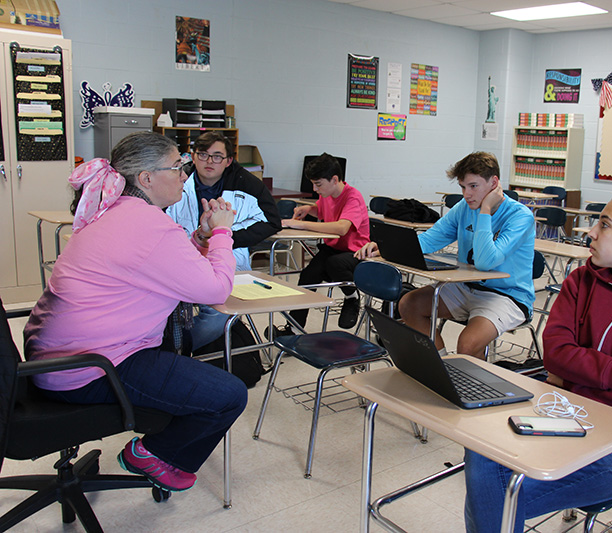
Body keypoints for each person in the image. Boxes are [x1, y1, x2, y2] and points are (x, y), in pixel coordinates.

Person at [463, 191, 612, 532]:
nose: (589, 232)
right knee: (482, 452)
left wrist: (574, 380)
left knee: (501, 497)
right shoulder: (582, 280)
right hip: (559, 418)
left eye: (604, 225)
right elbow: (555, 353)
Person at [23, 131, 247, 495]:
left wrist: (201, 240)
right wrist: (222, 233)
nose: (185, 175)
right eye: (177, 167)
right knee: (229, 395)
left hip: (53, 359)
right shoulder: (149, 224)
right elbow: (216, 289)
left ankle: (159, 444)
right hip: (92, 366)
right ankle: (154, 454)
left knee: (183, 366)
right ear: (145, 178)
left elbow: (157, 265)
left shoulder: (112, 210)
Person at [356, 151, 535, 359]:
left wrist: (485, 210)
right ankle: (443, 368)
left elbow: (486, 262)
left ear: (494, 183)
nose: (466, 194)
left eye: (473, 186)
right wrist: (385, 248)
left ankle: (471, 388)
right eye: (462, 187)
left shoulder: (520, 217)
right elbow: (431, 239)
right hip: (467, 286)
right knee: (408, 305)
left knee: (467, 344)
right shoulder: (464, 208)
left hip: (507, 296)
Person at [166, 131, 281, 350]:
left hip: (228, 259)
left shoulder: (247, 183)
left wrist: (224, 237)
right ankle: (169, 344)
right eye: (203, 154)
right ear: (192, 156)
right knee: (165, 305)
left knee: (218, 313)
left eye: (217, 156)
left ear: (228, 161)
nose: (209, 161)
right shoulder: (178, 181)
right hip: (182, 258)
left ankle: (181, 349)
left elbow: (272, 221)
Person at [277, 153, 370, 332]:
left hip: (356, 252)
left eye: (318, 184)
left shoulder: (353, 197)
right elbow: (322, 210)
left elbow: (342, 227)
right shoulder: (326, 194)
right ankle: (294, 328)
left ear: (334, 179)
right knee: (307, 276)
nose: (315, 188)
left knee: (334, 264)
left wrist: (300, 224)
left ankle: (352, 297)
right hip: (332, 248)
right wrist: (309, 209)